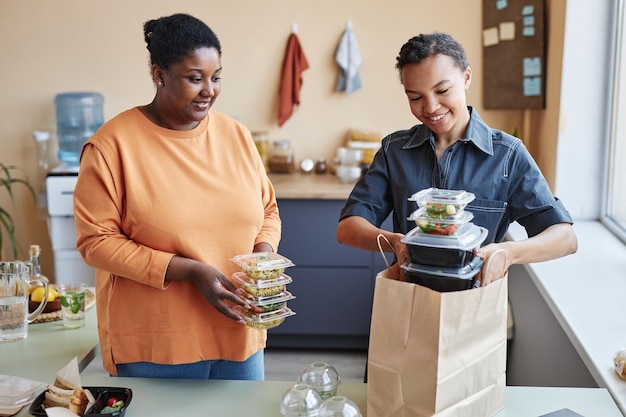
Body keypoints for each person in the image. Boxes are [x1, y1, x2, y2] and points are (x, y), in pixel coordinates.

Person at [73, 13, 280, 380]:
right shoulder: (112, 146)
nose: (209, 90)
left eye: (216, 78)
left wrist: (263, 256)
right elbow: (96, 243)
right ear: (159, 75)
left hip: (238, 332)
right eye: (194, 78)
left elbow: (267, 209)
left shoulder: (237, 135)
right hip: (156, 344)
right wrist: (189, 271)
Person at [337, 32, 577, 285]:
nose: (430, 107)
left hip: (475, 305)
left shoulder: (508, 155)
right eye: (415, 98)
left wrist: (507, 252)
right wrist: (396, 242)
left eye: (442, 90)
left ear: (466, 78)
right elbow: (348, 228)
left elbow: (565, 238)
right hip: (409, 301)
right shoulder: (394, 151)